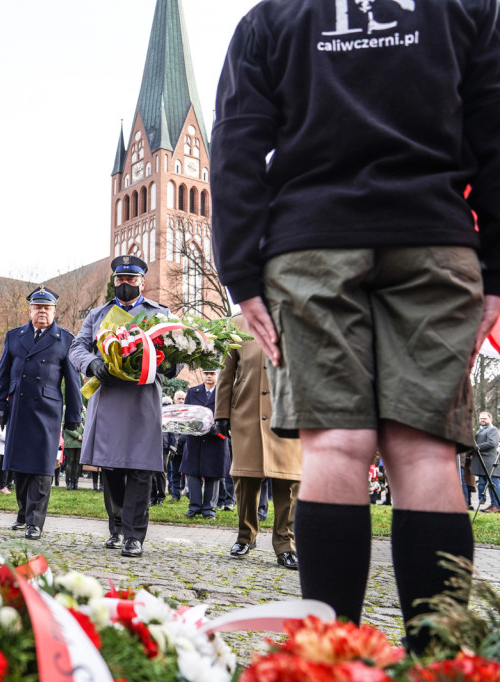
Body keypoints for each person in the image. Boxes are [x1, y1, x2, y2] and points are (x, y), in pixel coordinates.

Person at [211, 0, 500, 650]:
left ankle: (331, 661)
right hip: (433, 233)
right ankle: (441, 665)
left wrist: (243, 272)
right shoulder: (467, 7)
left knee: (335, 448)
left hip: (311, 242)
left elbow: (236, 143)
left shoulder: (274, 18)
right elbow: (494, 129)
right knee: (425, 454)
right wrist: (498, 267)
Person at [69, 256, 178, 557]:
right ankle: (116, 527)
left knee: (141, 469)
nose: (125, 284)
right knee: (112, 466)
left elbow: (174, 350)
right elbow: (76, 347)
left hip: (143, 398)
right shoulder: (98, 315)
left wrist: (172, 365)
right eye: (120, 279)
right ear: (114, 281)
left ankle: (134, 536)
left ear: (143, 282)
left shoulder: (160, 313)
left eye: (131, 279)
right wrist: (91, 364)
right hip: (110, 397)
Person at [0, 286, 82, 541]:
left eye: (47, 308)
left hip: (47, 411)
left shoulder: (65, 339)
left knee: (42, 468)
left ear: (55, 311)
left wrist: (74, 415)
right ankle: (23, 514)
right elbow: (3, 374)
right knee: (19, 466)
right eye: (38, 307)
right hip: (19, 409)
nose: (42, 311)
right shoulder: (13, 336)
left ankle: (35, 522)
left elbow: (73, 381)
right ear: (30, 309)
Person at [214, 318, 302, 570]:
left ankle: (286, 545)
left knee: (288, 481)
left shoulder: (299, 317)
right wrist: (221, 414)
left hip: (289, 414)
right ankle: (245, 536)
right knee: (245, 480)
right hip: (246, 414)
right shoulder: (237, 323)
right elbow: (226, 372)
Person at [180, 371, 230, 519]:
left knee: (213, 475)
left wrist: (221, 425)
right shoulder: (192, 391)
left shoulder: (224, 393)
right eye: (206, 373)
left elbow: (231, 412)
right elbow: (186, 413)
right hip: (195, 439)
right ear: (202, 375)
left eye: (212, 373)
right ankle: (194, 507)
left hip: (216, 440)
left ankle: (209, 509)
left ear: (217, 375)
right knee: (193, 473)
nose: (209, 376)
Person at [473, 412, 500, 513]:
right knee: (488, 484)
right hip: (482, 461)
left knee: (494, 484)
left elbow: (492, 443)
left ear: (491, 419)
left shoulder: (493, 429)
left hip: (490, 461)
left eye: (484, 418)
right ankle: (493, 505)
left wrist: (476, 447)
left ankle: (497, 505)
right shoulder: (481, 430)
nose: (482, 420)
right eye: (480, 419)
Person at [64, 410, 85, 490]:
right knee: (70, 462)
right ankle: (68, 483)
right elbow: (65, 426)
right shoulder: (68, 412)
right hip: (70, 441)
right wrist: (77, 436)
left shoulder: (83, 413)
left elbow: (87, 425)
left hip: (80, 442)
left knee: (77, 463)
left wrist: (82, 435)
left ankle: (75, 483)